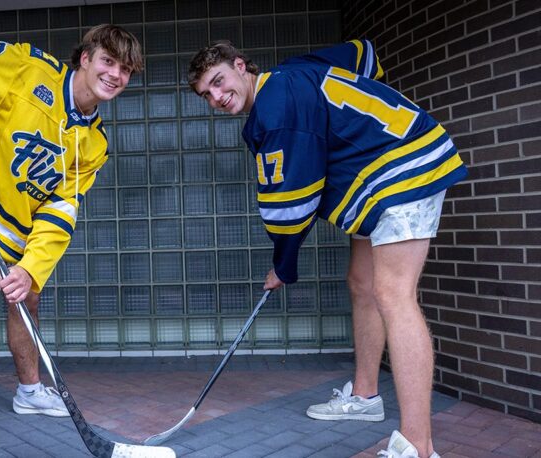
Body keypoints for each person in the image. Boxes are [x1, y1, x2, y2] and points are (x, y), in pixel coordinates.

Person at [188, 39, 466, 458]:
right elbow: (364, 54)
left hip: (401, 169)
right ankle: (366, 396)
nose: (216, 97)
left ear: (241, 66)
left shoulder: (275, 107)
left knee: (394, 295)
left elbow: (290, 203)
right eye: (206, 94)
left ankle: (418, 446)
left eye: (218, 82)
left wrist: (283, 265)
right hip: (376, 175)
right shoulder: (294, 69)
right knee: (362, 282)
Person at [0, 25, 143, 458]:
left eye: (126, 69)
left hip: (13, 224)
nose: (116, 74)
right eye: (108, 61)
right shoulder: (29, 68)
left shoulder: (93, 144)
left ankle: (30, 391)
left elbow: (60, 213)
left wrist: (29, 269)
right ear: (85, 58)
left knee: (28, 297)